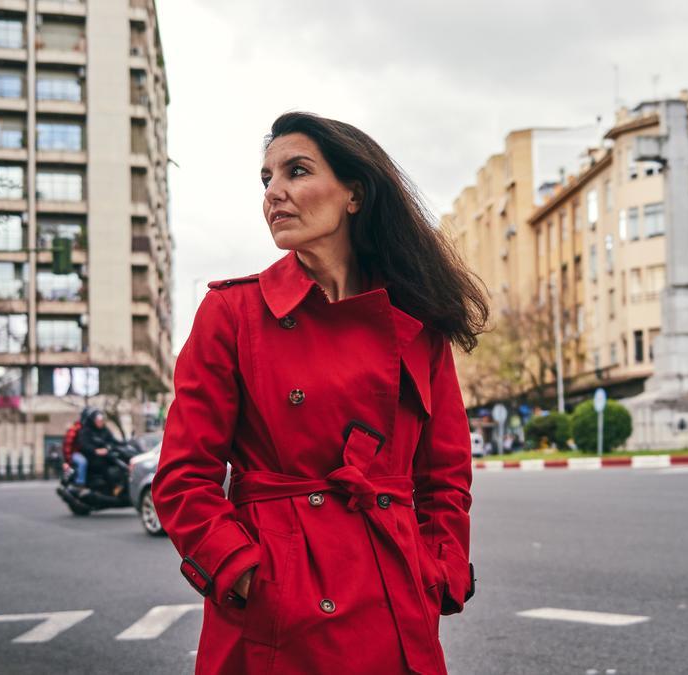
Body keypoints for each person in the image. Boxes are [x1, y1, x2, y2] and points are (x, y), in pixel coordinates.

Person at [153, 112, 486, 674]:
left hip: (392, 592)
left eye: (296, 171)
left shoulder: (416, 323)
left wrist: (439, 570)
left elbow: (445, 474)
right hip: (278, 606)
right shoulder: (232, 315)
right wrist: (244, 572)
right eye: (266, 179)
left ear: (354, 194)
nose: (274, 193)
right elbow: (183, 477)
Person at [75, 408, 116, 489]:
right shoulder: (86, 431)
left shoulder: (105, 430)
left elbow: (113, 440)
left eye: (101, 420)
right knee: (102, 465)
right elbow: (84, 445)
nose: (100, 422)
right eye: (98, 420)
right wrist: (95, 451)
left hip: (106, 454)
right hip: (91, 456)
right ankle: (112, 487)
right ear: (93, 420)